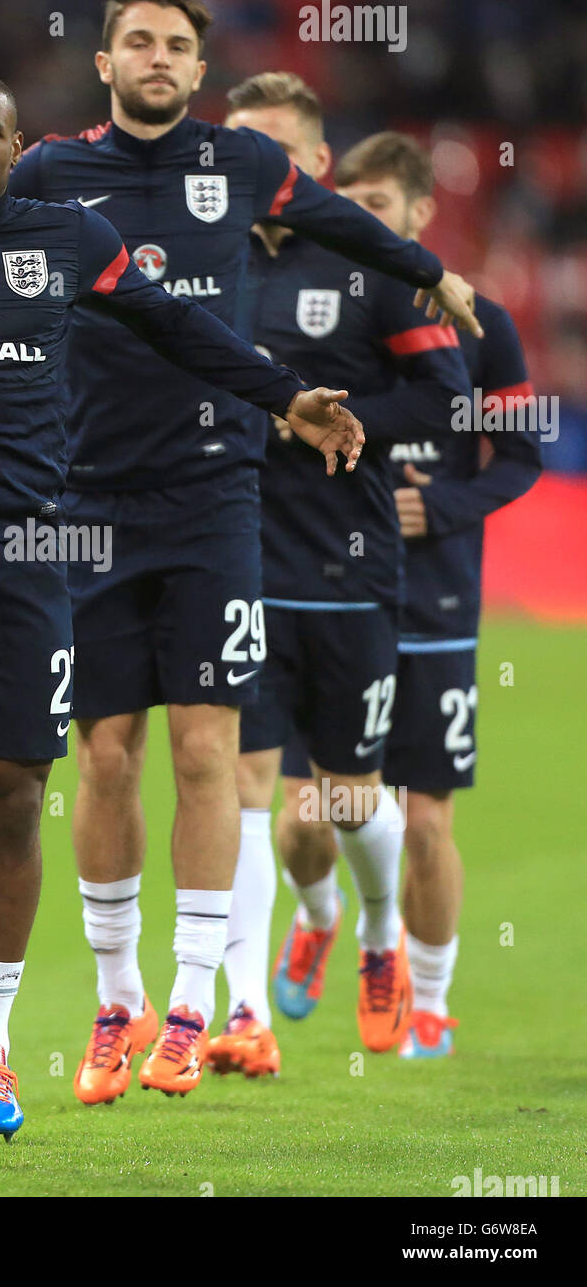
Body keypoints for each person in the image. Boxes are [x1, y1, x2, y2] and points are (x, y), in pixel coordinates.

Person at [0, 67, 364, 1137]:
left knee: (16, 792)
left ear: (17, 147)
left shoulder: (69, 237)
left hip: (30, 553)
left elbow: (180, 326)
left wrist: (285, 395)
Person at [9, 0, 481, 1102]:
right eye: (138, 41)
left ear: (199, 71)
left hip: (217, 496)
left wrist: (433, 269)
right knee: (106, 755)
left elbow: (346, 223)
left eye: (176, 43)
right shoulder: (48, 174)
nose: (158, 58)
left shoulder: (243, 167)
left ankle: (192, 1001)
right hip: (85, 504)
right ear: (105, 63)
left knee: (210, 750)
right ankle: (114, 998)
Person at [222, 75, 470, 1064]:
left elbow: (447, 395)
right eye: (238, 150)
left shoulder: (371, 266)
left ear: (317, 168)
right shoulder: (202, 269)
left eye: (275, 151)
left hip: (347, 569)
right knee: (242, 793)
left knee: (345, 799)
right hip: (231, 564)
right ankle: (238, 1011)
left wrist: (346, 423)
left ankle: (375, 933)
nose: (254, 171)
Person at [332, 132, 540, 1055]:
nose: (361, 221)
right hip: (335, 593)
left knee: (426, 815)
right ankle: (322, 922)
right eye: (349, 203)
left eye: (379, 205)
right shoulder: (324, 318)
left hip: (435, 605)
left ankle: (431, 1000)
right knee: (328, 805)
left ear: (420, 214)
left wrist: (444, 507)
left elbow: (522, 456)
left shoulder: (483, 322)